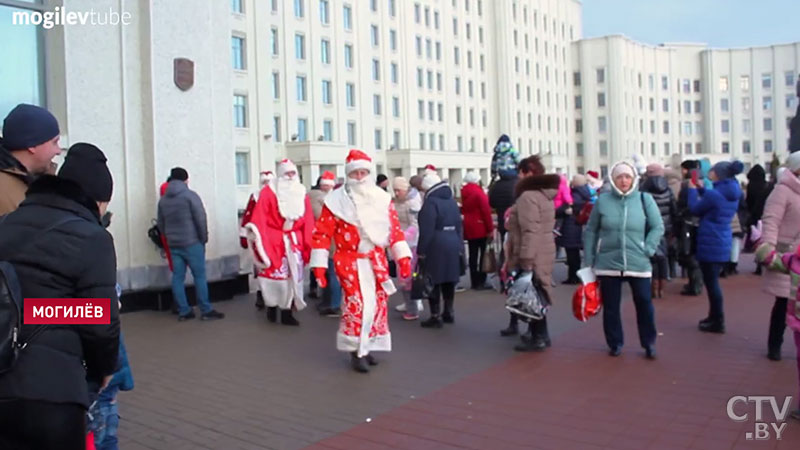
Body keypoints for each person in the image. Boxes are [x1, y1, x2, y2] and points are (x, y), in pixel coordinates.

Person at [0, 143, 121, 449]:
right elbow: (99, 318)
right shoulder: (93, 238)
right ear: (97, 200)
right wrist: (104, 369)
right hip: (54, 394)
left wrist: (40, 311)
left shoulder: (5, 225)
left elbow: (23, 304)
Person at [310, 150, 412, 373]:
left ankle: (368, 347)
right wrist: (318, 264)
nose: (359, 177)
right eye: (355, 173)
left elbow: (394, 231)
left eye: (363, 172)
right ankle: (355, 352)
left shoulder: (381, 199)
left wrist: (402, 256)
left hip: (376, 261)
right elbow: (322, 233)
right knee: (356, 306)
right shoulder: (335, 202)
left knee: (376, 306)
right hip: (350, 262)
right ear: (348, 175)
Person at [583, 160, 664, 359]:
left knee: (644, 303)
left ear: (634, 179)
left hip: (638, 261)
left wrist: (649, 247)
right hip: (608, 263)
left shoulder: (645, 200)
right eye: (620, 177)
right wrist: (589, 258)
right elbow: (591, 230)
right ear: (613, 180)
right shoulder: (603, 200)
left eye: (627, 176)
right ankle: (615, 343)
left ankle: (649, 343)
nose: (624, 181)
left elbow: (657, 226)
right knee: (611, 307)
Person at [244, 159, 314, 326]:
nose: (290, 177)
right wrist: (261, 243)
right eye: (286, 173)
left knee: (293, 278)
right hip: (274, 241)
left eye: (293, 173)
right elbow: (259, 217)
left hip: (294, 241)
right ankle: (272, 306)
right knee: (276, 277)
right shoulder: (268, 192)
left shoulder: (300, 192)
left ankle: (287, 311)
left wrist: (308, 243)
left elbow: (308, 220)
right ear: (280, 175)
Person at [504, 156, 561, 351]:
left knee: (532, 294)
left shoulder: (528, 196)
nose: (518, 177)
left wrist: (525, 259)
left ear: (528, 173)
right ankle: (540, 335)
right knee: (538, 292)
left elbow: (530, 230)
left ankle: (539, 337)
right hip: (543, 250)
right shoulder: (544, 194)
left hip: (532, 252)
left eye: (520, 172)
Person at [157, 167, 225, 321]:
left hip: (174, 244)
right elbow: (200, 218)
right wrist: (203, 238)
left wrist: (169, 237)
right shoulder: (190, 196)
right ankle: (206, 310)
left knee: (177, 277)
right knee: (199, 276)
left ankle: (184, 311)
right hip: (192, 242)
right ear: (185, 180)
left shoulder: (163, 200)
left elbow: (161, 224)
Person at [688, 160, 744, 333]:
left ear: (717, 174)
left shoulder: (715, 195)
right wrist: (701, 189)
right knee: (713, 282)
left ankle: (717, 320)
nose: (710, 171)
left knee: (712, 284)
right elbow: (714, 200)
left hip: (710, 239)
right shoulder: (732, 192)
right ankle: (714, 317)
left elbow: (695, 208)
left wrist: (691, 190)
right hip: (722, 239)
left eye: (713, 170)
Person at [758, 153, 800, 360]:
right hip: (787, 256)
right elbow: (771, 220)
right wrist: (769, 249)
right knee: (784, 302)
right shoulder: (782, 191)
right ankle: (775, 345)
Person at [417, 171, 465, 328]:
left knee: (433, 280)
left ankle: (435, 315)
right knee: (449, 279)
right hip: (453, 241)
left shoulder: (431, 203)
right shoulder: (451, 201)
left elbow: (426, 230)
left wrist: (421, 250)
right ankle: (449, 311)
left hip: (436, 244)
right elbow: (459, 225)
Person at [0, 103, 62, 215]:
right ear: (32, 146)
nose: (58, 151)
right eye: (54, 142)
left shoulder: (42, 181)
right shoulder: (4, 192)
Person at [640, 163, 678, 299]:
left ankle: (653, 287)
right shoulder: (667, 188)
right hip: (666, 227)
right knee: (663, 257)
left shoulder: (643, 189)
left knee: (652, 258)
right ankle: (661, 287)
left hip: (648, 227)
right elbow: (674, 209)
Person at [310, 171, 342, 317]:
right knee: (332, 273)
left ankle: (330, 303)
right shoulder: (328, 200)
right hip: (332, 241)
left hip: (325, 242)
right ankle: (333, 304)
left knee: (328, 273)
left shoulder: (314, 198)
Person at [241, 171, 273, 310]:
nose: (266, 185)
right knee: (260, 267)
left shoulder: (278, 196)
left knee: (275, 267)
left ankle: (275, 296)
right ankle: (261, 295)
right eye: (264, 182)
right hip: (258, 237)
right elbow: (248, 216)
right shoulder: (255, 197)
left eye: (268, 182)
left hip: (275, 238)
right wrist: (244, 235)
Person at [392, 176, 423, 320]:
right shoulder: (394, 202)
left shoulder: (412, 203)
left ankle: (413, 308)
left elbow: (415, 224)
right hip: (399, 242)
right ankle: (408, 303)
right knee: (402, 276)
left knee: (409, 276)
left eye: (398, 190)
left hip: (411, 244)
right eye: (395, 190)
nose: (396, 193)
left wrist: (403, 235)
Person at [461, 171, 494, 290]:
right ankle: (481, 280)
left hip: (469, 225)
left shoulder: (464, 192)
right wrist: (490, 229)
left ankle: (474, 281)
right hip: (481, 226)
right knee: (483, 254)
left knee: (473, 254)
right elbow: (486, 212)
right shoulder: (479, 193)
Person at [557, 174, 592, 285]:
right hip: (577, 226)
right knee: (574, 254)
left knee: (572, 254)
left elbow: (567, 208)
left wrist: (561, 209)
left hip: (571, 226)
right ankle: (574, 276)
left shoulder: (575, 195)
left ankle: (573, 277)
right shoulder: (585, 193)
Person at [676, 160, 704, 296]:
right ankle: (695, 282)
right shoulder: (702, 181)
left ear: (686, 170)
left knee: (688, 253)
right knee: (694, 252)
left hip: (688, 222)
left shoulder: (688, 184)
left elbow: (684, 204)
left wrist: (680, 213)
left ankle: (695, 284)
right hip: (699, 222)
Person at [747, 164, 771, 275]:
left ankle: (759, 263)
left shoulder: (751, 185)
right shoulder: (767, 186)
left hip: (756, 215)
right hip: (766, 215)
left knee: (757, 240)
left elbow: (749, 201)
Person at [489, 169, 517, 240]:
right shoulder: (517, 183)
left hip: (502, 219)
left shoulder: (496, 185)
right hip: (516, 221)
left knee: (504, 242)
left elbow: (492, 203)